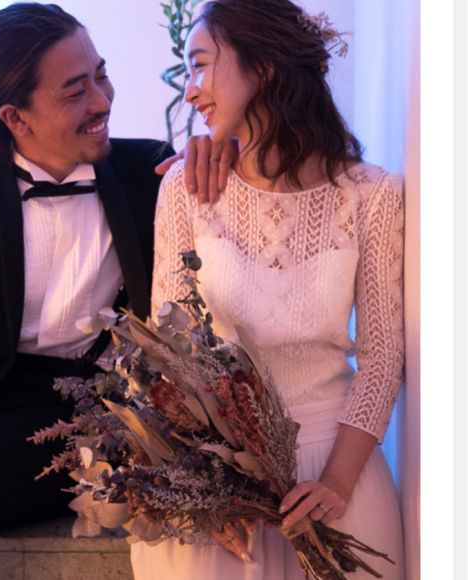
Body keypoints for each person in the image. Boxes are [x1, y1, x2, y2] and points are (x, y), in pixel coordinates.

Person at [0, 2, 232, 556]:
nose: (102, 101)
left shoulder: (153, 175)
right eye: (75, 91)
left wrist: (227, 151)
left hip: (89, 418)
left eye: (101, 75)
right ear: (15, 118)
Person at [133, 1, 405, 578]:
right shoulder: (185, 189)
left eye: (201, 64)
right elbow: (168, 354)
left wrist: (335, 484)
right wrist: (206, 484)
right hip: (222, 484)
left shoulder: (373, 196)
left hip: (340, 471)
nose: (191, 89)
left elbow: (383, 358)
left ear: (263, 67)